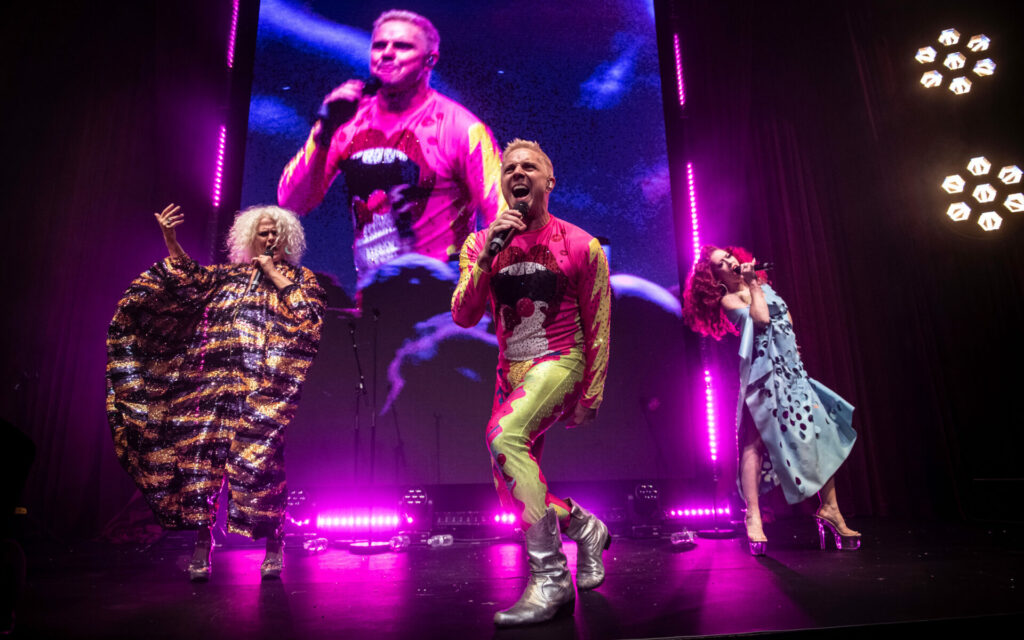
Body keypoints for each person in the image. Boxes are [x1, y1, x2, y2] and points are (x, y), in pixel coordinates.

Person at [106, 203, 326, 581]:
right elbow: (188, 282)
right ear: (250, 236)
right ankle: (202, 543)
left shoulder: (298, 278)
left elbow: (309, 315)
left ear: (286, 238)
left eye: (276, 233)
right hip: (214, 385)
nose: (270, 238)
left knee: (261, 465)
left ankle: (274, 544)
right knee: (202, 464)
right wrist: (171, 240)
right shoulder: (226, 276)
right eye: (264, 232)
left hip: (263, 390)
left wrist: (274, 274)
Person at [452, 140, 612, 626]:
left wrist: (592, 393)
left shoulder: (582, 245)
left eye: (530, 167)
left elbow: (599, 321)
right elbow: (463, 314)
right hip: (511, 372)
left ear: (549, 181)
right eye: (510, 168)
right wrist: (487, 257)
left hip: (561, 361)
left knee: (503, 436)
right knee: (511, 494)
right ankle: (584, 527)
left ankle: (550, 578)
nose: (518, 173)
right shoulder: (481, 243)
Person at [278, 9, 504, 291]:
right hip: (373, 300)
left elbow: (504, 214)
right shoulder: (344, 121)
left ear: (429, 60)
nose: (387, 53)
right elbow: (292, 202)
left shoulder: (464, 129)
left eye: (402, 46)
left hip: (443, 303)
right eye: (379, 45)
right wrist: (324, 132)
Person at [682, 245, 861, 555]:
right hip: (761, 377)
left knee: (821, 434)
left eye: (728, 256)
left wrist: (791, 350)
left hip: (791, 371)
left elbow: (787, 320)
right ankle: (753, 516)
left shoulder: (763, 287)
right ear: (715, 278)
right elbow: (762, 319)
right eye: (721, 264)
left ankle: (830, 508)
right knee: (753, 444)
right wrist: (753, 284)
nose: (730, 262)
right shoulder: (729, 300)